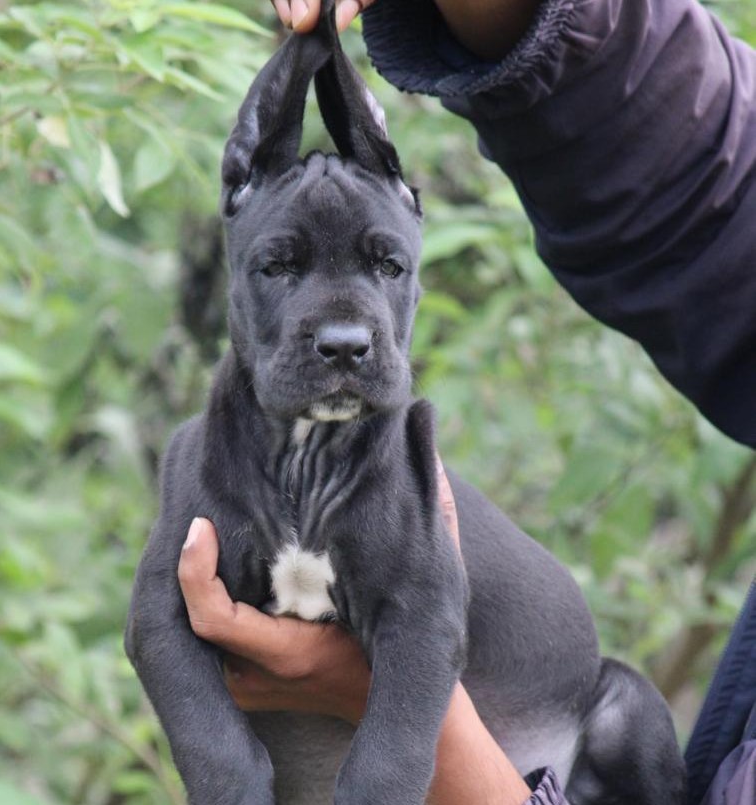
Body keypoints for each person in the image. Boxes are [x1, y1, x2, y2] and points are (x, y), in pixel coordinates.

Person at [177, 0, 756, 802]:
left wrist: (393, 713)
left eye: (383, 268)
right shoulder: (209, 455)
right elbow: (702, 190)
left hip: (528, 734)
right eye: (282, 269)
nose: (343, 327)